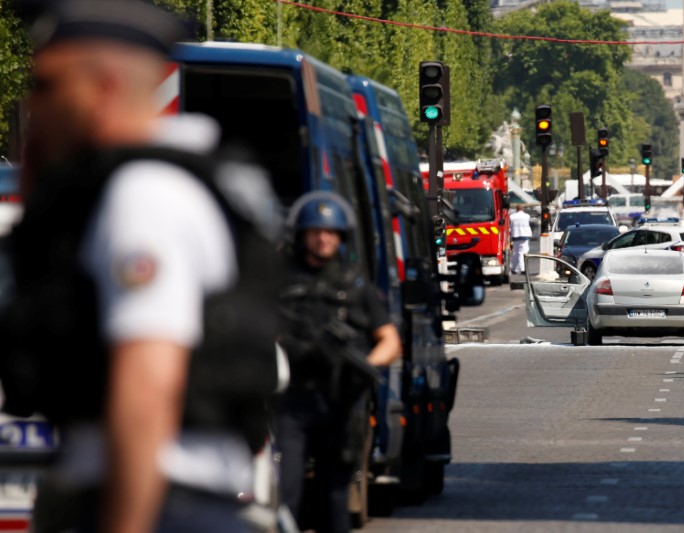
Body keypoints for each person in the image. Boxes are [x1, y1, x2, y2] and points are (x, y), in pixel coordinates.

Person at [0, 1, 284, 531]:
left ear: (102, 87)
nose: (31, 102)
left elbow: (147, 380)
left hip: (157, 503)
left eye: (47, 84)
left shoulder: (143, 196)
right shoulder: (120, 189)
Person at [277, 192, 402, 533]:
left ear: (341, 236)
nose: (323, 238)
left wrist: (363, 364)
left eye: (330, 232)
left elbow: (389, 341)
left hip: (341, 402)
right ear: (301, 236)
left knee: (336, 498)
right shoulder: (282, 282)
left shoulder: (355, 285)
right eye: (315, 231)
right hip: (295, 401)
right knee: (286, 492)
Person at [509, 205, 533, 274]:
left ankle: (514, 268)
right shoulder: (527, 216)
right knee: (522, 252)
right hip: (524, 236)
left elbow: (510, 226)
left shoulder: (512, 216)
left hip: (515, 235)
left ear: (516, 209)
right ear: (522, 209)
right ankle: (522, 269)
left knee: (516, 252)